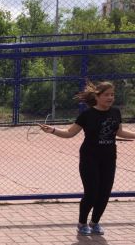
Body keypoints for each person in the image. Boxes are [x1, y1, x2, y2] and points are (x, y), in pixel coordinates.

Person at [39, 80, 135, 235]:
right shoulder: (87, 115)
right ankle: (82, 223)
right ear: (97, 96)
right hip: (89, 158)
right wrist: (53, 130)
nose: (110, 98)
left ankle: (95, 222)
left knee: (105, 192)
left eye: (112, 95)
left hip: (109, 158)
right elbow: (69, 133)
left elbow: (120, 132)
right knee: (91, 192)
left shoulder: (115, 112)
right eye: (106, 95)